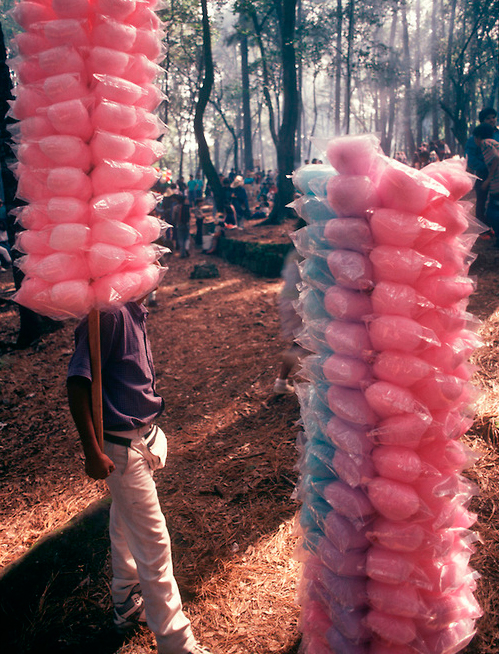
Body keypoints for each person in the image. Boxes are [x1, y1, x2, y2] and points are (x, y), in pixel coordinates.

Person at [66, 299, 211, 654]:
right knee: (153, 543)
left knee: (123, 523)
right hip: (120, 449)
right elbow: (77, 383)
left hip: (138, 441)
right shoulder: (109, 316)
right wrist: (92, 451)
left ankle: (126, 603)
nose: (158, 274)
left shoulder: (135, 309)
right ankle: (176, 643)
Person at [274, 222, 308, 395]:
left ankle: (281, 381)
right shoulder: (306, 254)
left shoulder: (294, 251)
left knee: (299, 341)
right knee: (304, 342)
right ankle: (282, 381)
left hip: (288, 299)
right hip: (298, 301)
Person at [465, 108, 499, 232]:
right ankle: (483, 230)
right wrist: (485, 167)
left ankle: (494, 227)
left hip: (496, 174)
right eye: (488, 118)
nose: (491, 120)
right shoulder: (475, 138)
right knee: (481, 201)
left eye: (493, 117)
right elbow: (471, 158)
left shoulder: (496, 135)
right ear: (482, 121)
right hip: (483, 174)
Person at [473, 122, 499, 246]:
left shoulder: (485, 143)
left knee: (491, 212)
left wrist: (488, 179)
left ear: (478, 137)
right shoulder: (494, 142)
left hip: (496, 183)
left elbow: (496, 157)